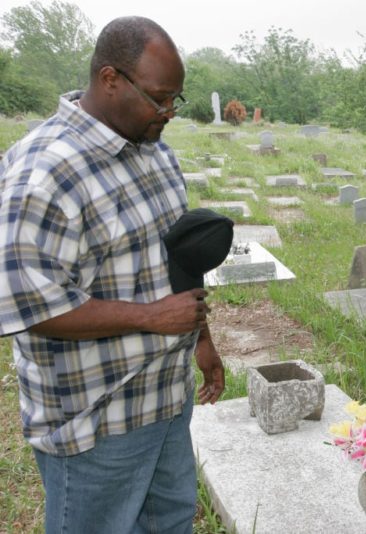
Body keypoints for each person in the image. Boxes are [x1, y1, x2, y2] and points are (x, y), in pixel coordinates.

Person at [0, 16, 225, 533]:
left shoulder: (156, 153)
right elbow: (31, 306)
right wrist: (150, 318)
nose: (168, 112)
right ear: (109, 79)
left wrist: (201, 339)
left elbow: (179, 257)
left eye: (176, 100)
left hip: (167, 398)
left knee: (169, 524)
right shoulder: (45, 171)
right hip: (97, 421)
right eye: (159, 98)